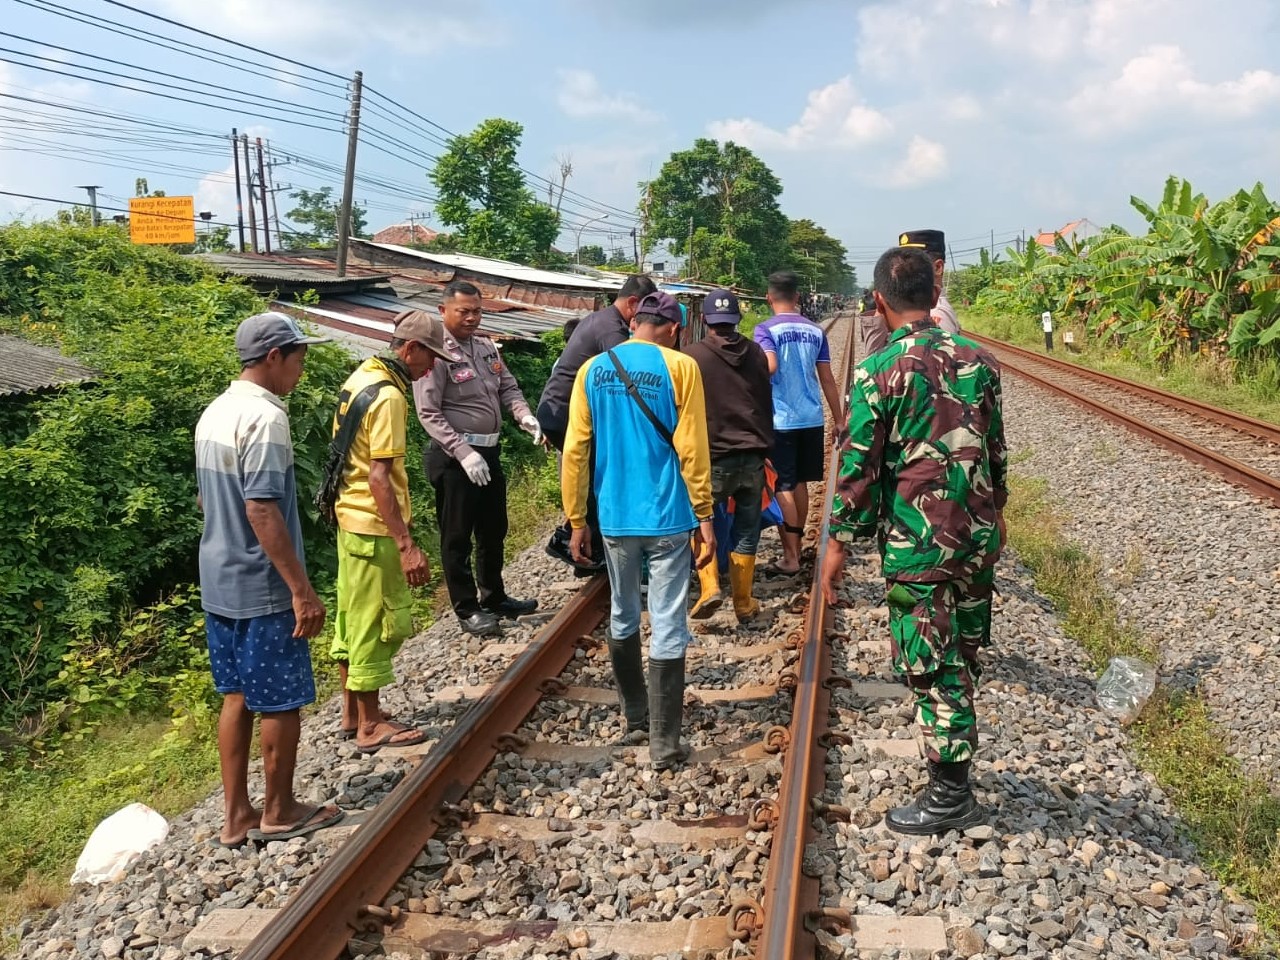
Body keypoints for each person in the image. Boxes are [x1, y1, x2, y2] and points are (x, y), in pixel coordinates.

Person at [821, 247, 1007, 835]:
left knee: (930, 662)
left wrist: (835, 547)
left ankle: (951, 796)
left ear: (878, 301)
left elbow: (857, 470)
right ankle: (955, 767)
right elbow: (995, 451)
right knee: (965, 652)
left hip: (918, 543)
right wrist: (997, 514)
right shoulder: (980, 360)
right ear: (934, 294)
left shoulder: (878, 373)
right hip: (975, 535)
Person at [195, 312, 344, 845]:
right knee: (280, 700)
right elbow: (261, 509)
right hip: (261, 585)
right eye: (299, 358)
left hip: (218, 579)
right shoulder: (265, 418)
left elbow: (205, 499)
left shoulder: (215, 412)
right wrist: (300, 589)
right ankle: (280, 809)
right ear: (274, 356)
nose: (301, 370)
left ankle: (236, 815)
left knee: (234, 696)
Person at [561, 291, 714, 770]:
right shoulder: (680, 367)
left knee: (623, 612)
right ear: (672, 328)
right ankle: (664, 745)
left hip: (614, 516)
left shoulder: (592, 370)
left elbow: (575, 451)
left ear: (637, 322)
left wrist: (576, 519)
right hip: (668, 515)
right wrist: (705, 514)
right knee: (668, 619)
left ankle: (636, 719)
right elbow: (692, 447)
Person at [332, 310, 460, 754]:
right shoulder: (389, 397)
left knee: (351, 616)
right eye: (429, 358)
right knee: (376, 622)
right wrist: (406, 543)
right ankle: (370, 725)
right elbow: (379, 478)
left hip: (349, 520)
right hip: (373, 527)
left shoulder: (361, 376)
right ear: (410, 349)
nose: (432, 368)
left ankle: (353, 713)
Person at [414, 281, 541, 637]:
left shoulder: (486, 347)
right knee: (457, 536)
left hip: (490, 451)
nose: (471, 318)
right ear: (443, 311)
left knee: (493, 529)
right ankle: (467, 608)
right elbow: (428, 413)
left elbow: (509, 387)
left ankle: (494, 596)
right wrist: (463, 452)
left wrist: (522, 414)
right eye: (463, 311)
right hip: (456, 458)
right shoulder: (435, 353)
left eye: (477, 311)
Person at [537, 274, 659, 571]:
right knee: (595, 477)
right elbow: (628, 371)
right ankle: (573, 542)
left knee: (592, 478)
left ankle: (583, 546)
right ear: (632, 304)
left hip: (558, 410)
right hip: (564, 411)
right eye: (643, 312)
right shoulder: (611, 329)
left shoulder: (603, 320)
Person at [684, 288, 773, 621]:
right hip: (751, 457)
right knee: (747, 530)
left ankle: (709, 588)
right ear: (736, 319)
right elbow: (765, 402)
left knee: (699, 521)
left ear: (706, 319)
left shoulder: (692, 356)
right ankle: (743, 602)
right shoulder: (756, 353)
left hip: (712, 459)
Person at [753, 270, 843, 577]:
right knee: (800, 482)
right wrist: (839, 418)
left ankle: (790, 555)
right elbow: (827, 379)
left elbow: (767, 368)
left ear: (769, 297)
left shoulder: (765, 330)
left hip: (781, 419)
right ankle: (796, 543)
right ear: (797, 297)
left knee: (781, 484)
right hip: (811, 418)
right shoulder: (815, 331)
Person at [858, 230, 959, 358]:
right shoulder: (915, 308)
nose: (906, 267)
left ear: (938, 267)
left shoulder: (937, 312)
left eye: (917, 261)